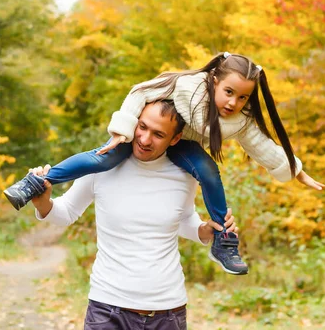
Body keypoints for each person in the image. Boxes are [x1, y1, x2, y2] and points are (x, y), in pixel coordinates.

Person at [4, 52, 325, 275]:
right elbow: (139, 92)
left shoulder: (238, 121)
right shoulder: (185, 86)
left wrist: (296, 170)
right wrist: (124, 130)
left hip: (180, 145)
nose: (233, 103)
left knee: (209, 172)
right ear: (214, 80)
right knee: (102, 157)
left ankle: (224, 241)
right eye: (229, 92)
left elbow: (262, 146)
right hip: (155, 132)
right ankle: (34, 182)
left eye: (242, 98)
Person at [30, 100, 237, 330]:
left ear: (175, 139)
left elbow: (183, 218)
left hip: (168, 312)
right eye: (142, 127)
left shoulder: (184, 175)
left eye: (158, 134)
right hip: (108, 310)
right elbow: (67, 212)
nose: (145, 139)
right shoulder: (100, 165)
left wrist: (204, 231)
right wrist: (43, 203)